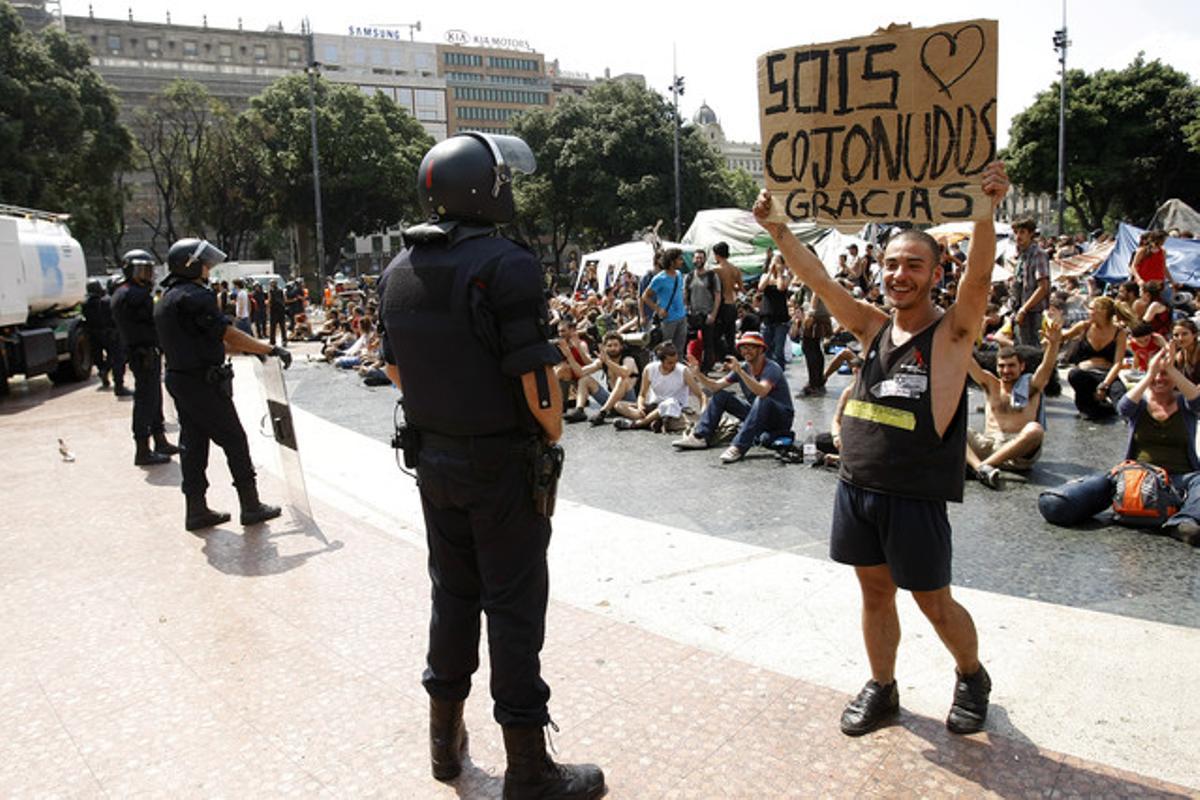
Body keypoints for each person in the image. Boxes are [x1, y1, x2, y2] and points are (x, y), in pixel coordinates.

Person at [377, 132, 604, 799]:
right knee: (512, 609)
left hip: (434, 460)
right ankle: (529, 769)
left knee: (452, 598)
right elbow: (535, 378)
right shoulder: (508, 263)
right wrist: (552, 426)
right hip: (502, 465)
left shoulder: (400, 268)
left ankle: (444, 748)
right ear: (485, 187)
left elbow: (394, 366)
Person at [752, 160, 1010, 737]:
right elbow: (820, 282)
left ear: (935, 273)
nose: (899, 274)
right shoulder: (871, 327)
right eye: (892, 264)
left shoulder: (951, 334)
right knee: (873, 592)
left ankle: (971, 675)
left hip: (915, 497)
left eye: (914, 265)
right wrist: (779, 231)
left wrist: (986, 211)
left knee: (933, 601)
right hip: (856, 488)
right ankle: (883, 687)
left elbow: (980, 281)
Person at [154, 238, 290, 532]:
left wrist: (249, 350)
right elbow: (228, 334)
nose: (208, 269)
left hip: (180, 379)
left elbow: (203, 341)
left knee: (193, 444)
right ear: (190, 265)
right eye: (204, 263)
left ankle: (196, 510)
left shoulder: (166, 299)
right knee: (234, 440)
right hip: (203, 383)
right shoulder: (196, 297)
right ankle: (251, 506)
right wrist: (268, 349)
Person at [1039, 344, 1200, 546]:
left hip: (1181, 478)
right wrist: (1149, 374)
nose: (1159, 379)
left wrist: (1172, 369)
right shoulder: (1140, 404)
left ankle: (1182, 523)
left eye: (1165, 375)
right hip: (1134, 475)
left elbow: (1198, 401)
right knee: (1054, 504)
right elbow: (1123, 408)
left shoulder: (1185, 405)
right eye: (1155, 375)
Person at [672, 330, 795, 464]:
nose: (746, 351)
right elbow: (714, 387)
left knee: (762, 400)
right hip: (757, 412)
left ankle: (738, 447)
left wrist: (740, 373)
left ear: (760, 349)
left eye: (750, 347)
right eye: (743, 348)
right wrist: (698, 374)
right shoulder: (742, 368)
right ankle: (700, 436)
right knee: (720, 396)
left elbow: (762, 391)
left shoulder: (772, 368)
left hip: (780, 418)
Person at [966, 323, 1063, 490]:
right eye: (1002, 366)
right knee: (954, 427)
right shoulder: (991, 384)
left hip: (1018, 454)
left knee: (1035, 430)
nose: (1006, 370)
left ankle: (980, 468)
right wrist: (960, 336)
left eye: (1011, 366)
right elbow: (967, 361)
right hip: (988, 444)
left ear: (1022, 367)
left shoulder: (1031, 386)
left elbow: (1046, 368)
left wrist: (1054, 344)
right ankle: (982, 468)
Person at [110, 249, 179, 466]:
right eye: (142, 270)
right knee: (146, 399)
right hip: (143, 352)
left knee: (153, 397)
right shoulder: (133, 294)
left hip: (145, 351)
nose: (147, 275)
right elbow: (154, 321)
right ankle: (143, 449)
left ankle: (159, 441)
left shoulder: (127, 291)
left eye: (149, 271)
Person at [613, 342, 703, 433]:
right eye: (670, 363)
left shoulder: (683, 371)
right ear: (661, 361)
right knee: (618, 405)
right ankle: (653, 420)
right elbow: (642, 394)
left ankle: (638, 424)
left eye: (676, 361)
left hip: (674, 408)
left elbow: (700, 395)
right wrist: (640, 406)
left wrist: (703, 412)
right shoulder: (650, 369)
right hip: (654, 406)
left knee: (670, 403)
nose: (674, 365)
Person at [1063, 296, 1128, 420]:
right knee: (1075, 374)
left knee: (1121, 400)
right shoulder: (1084, 326)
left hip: (1107, 374)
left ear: (1102, 311)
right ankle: (1094, 408)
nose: (1088, 312)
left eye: (1091, 309)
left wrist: (1105, 385)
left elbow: (1118, 363)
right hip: (1085, 374)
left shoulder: (1119, 333)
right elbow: (1062, 337)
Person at [83, 278, 131, 396]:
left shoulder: (85, 304)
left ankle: (103, 371)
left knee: (99, 357)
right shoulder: (107, 301)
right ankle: (118, 385)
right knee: (117, 358)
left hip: (94, 334)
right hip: (111, 333)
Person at [1009, 218, 1050, 347]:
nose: (1018, 236)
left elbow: (1043, 287)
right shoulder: (1022, 256)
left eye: (1022, 232)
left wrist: (1024, 309)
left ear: (1031, 234)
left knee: (1033, 352)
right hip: (1019, 311)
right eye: (1016, 233)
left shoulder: (1038, 254)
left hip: (1033, 314)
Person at [641, 247, 687, 357]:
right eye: (679, 259)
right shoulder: (659, 278)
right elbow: (645, 296)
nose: (682, 261)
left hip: (681, 316)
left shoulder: (679, 274)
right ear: (672, 262)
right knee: (666, 350)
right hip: (668, 319)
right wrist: (658, 309)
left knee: (679, 350)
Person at [685, 248, 721, 373]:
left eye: (701, 258)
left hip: (708, 314)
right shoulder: (689, 276)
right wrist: (687, 309)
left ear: (705, 260)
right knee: (691, 342)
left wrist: (713, 314)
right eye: (696, 257)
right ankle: (693, 366)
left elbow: (717, 296)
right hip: (693, 315)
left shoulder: (712, 276)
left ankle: (706, 370)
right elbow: (685, 295)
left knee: (708, 344)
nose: (698, 260)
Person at [758, 253, 792, 367]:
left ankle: (779, 375)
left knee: (778, 351)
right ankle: (766, 374)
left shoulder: (786, 277)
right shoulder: (765, 276)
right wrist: (769, 272)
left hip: (781, 320)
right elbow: (761, 287)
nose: (775, 264)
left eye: (778, 262)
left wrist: (779, 273)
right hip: (767, 318)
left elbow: (781, 287)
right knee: (766, 349)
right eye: (773, 262)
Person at [712, 241, 742, 363]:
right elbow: (740, 288)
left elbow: (714, 289)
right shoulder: (735, 269)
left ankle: (722, 359)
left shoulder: (716, 270)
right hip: (732, 304)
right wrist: (731, 286)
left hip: (721, 305)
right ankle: (732, 361)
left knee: (715, 336)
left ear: (717, 255)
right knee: (730, 336)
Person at [267, 279, 288, 346]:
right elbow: (285, 299)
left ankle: (272, 341)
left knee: (273, 326)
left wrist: (268, 309)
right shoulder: (281, 290)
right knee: (282, 326)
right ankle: (284, 340)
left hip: (274, 310)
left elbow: (269, 300)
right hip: (281, 310)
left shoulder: (270, 291)